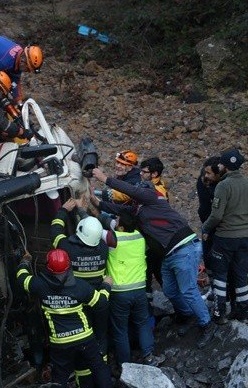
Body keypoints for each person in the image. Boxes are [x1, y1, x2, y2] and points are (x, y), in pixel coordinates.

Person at [90, 167, 216, 349]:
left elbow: (131, 191)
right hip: (170, 254)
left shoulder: (154, 197)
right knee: (170, 290)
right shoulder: (138, 209)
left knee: (188, 289)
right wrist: (96, 203)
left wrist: (105, 179)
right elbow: (119, 209)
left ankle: (207, 324)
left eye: (138, 194)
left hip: (184, 248)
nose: (135, 197)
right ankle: (187, 314)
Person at [15, 249, 116, 388]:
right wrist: (106, 285)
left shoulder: (39, 285)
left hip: (60, 342)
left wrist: (25, 261)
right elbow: (101, 303)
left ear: (48, 267)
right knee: (99, 367)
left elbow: (21, 279)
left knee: (60, 375)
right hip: (84, 337)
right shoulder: (80, 286)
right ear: (68, 266)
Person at [49, 198, 110, 388]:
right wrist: (83, 211)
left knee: (85, 351)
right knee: (100, 343)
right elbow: (92, 230)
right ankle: (105, 383)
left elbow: (55, 233)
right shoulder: (102, 247)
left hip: (79, 305)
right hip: (100, 301)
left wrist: (63, 211)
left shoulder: (67, 247)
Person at [201, 148, 248, 323]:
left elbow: (217, 215)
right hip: (244, 238)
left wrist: (205, 228)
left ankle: (220, 314)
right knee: (241, 275)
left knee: (220, 276)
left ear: (223, 166)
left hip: (225, 238)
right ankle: (242, 312)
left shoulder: (223, 186)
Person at [106, 210, 157, 366]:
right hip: (139, 289)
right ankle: (148, 355)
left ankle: (125, 364)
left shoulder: (113, 238)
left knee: (120, 330)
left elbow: (95, 228)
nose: (115, 220)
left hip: (120, 292)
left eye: (117, 219)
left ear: (120, 227)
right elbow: (114, 223)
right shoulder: (139, 237)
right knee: (142, 324)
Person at [139, 157, 168, 295]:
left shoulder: (156, 190)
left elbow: (127, 195)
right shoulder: (158, 186)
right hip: (155, 237)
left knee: (153, 270)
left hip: (155, 238)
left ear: (154, 174)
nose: (141, 174)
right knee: (156, 271)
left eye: (144, 172)